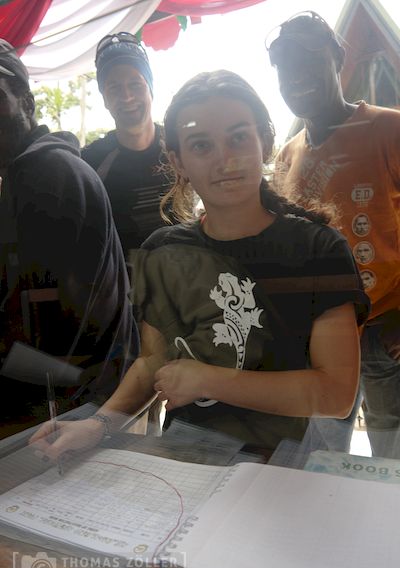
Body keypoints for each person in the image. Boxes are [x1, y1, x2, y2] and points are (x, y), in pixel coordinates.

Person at [31, 69, 369, 461]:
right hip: (187, 463)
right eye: (201, 145)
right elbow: (153, 361)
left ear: (264, 142)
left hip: (284, 468)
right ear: (178, 161)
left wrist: (209, 379)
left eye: (238, 137)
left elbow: (335, 395)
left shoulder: (318, 249)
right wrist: (98, 424)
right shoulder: (163, 251)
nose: (225, 159)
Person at [268, 11, 400, 457]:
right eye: (285, 67)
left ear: (339, 58)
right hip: (321, 337)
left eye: (309, 59)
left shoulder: (390, 129)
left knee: (392, 465)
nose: (296, 76)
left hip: (386, 330)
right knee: (321, 459)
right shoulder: (287, 157)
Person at [0, 39, 135, 430]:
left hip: (66, 409)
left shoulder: (44, 174)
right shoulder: (35, 170)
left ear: (27, 103)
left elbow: (36, 323)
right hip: (77, 397)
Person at [81, 32, 172, 259]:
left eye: (135, 84)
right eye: (114, 88)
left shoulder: (181, 146)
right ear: (104, 98)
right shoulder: (90, 162)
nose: (127, 96)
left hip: (187, 274)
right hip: (123, 279)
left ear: (150, 89)